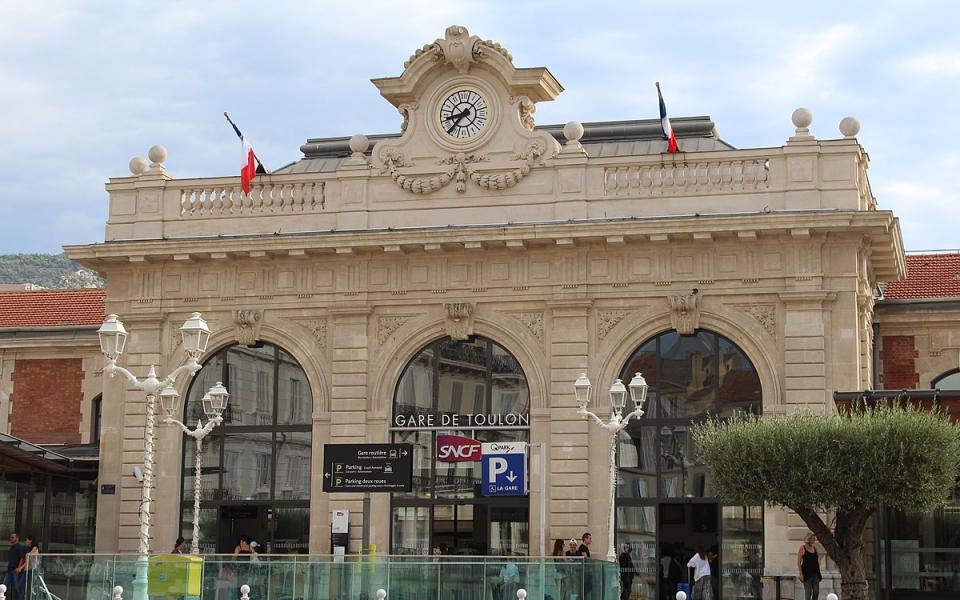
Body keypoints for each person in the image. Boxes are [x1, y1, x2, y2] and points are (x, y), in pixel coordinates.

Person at [798, 532, 822, 600]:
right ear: (809, 539)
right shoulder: (802, 548)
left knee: (816, 592)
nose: (815, 540)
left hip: (815, 573)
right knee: (808, 594)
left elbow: (816, 561)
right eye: (813, 538)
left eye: (815, 538)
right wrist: (801, 574)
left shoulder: (815, 548)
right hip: (806, 574)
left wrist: (819, 573)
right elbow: (798, 562)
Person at [4, 533, 27, 600]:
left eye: (12, 537)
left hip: (15, 571)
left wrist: (18, 568)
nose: (10, 538)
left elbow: (22, 558)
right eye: (10, 537)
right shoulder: (12, 547)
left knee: (18, 588)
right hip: (10, 570)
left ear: (17, 538)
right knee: (4, 586)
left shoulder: (20, 547)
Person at [15, 534, 38, 600]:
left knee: (26, 587)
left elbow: (29, 559)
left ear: (30, 540)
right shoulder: (29, 549)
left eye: (26, 540)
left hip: (31, 570)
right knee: (21, 586)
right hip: (27, 570)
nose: (25, 541)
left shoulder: (34, 548)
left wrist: (20, 568)